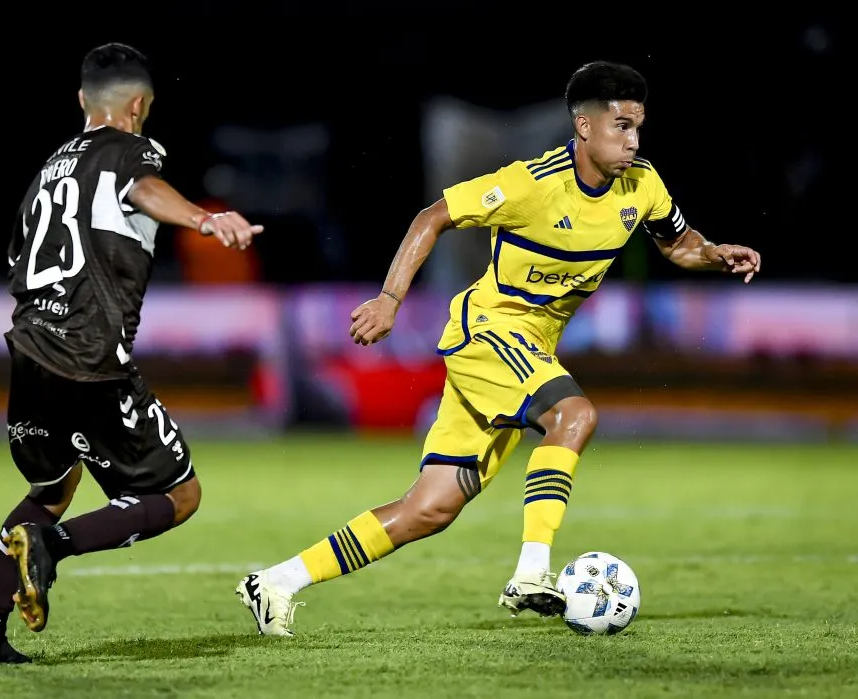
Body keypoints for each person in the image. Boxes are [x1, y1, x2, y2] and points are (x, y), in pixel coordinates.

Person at [236, 60, 760, 636]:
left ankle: (277, 582)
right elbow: (432, 217)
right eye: (621, 127)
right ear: (584, 127)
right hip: (489, 331)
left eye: (638, 127)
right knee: (575, 415)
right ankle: (532, 573)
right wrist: (389, 299)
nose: (633, 141)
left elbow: (678, 243)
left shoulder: (643, 183)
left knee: (430, 509)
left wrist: (715, 254)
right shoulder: (529, 184)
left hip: (529, 349)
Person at [0, 42, 262, 664]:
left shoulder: (47, 171)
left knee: (51, 489)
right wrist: (203, 220)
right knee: (180, 495)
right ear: (139, 105)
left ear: (81, 100)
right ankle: (52, 546)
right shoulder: (129, 149)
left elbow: (18, 260)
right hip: (89, 356)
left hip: (30, 351)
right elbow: (143, 186)